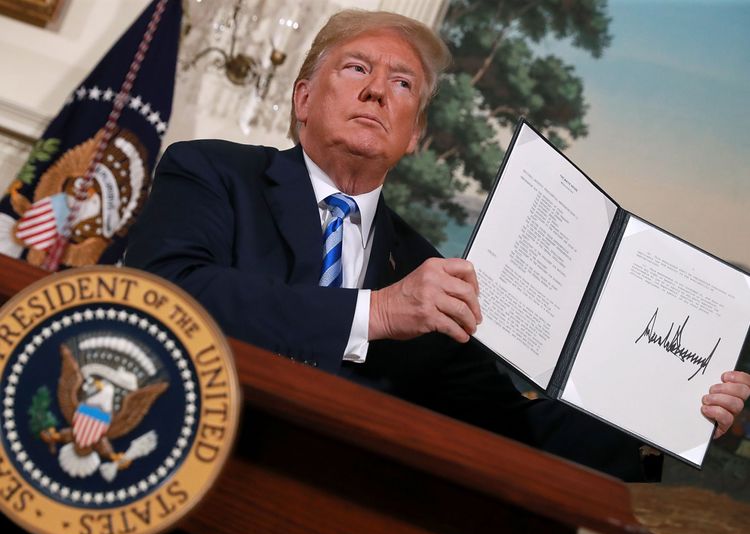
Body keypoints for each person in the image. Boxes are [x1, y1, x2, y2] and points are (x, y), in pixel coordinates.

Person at [124, 9, 749, 481]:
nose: (376, 91)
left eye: (402, 85)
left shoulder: (426, 270)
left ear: (416, 136)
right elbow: (168, 295)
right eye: (356, 68)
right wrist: (379, 313)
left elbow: (509, 423)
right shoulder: (211, 172)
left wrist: (673, 415)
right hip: (178, 470)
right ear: (304, 99)